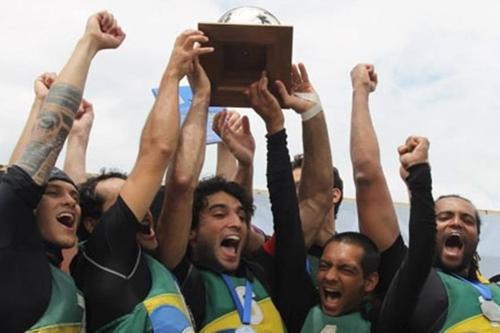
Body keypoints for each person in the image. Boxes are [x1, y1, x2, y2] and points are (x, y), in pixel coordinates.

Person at [69, 29, 213, 332]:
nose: (143, 208)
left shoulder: (157, 262)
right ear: (94, 225)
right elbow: (158, 151)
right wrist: (173, 73)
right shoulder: (105, 259)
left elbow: (183, 182)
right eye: (123, 202)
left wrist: (201, 96)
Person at [0, 10, 123, 332]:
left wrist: (77, 136)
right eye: (52, 193)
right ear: (28, 208)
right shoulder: (10, 254)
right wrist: (89, 44)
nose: (71, 201)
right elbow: (42, 147)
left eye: (73, 198)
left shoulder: (59, 267)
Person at [377, 136, 500, 332]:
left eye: (467, 220)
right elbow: (422, 243)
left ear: (478, 237)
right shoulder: (415, 284)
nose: (456, 223)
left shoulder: (496, 289)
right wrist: (419, 174)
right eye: (445, 217)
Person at [301, 232, 380, 332]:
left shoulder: (379, 325)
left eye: (346, 270)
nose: (329, 276)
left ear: (369, 282)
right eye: (324, 266)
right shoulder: (307, 313)